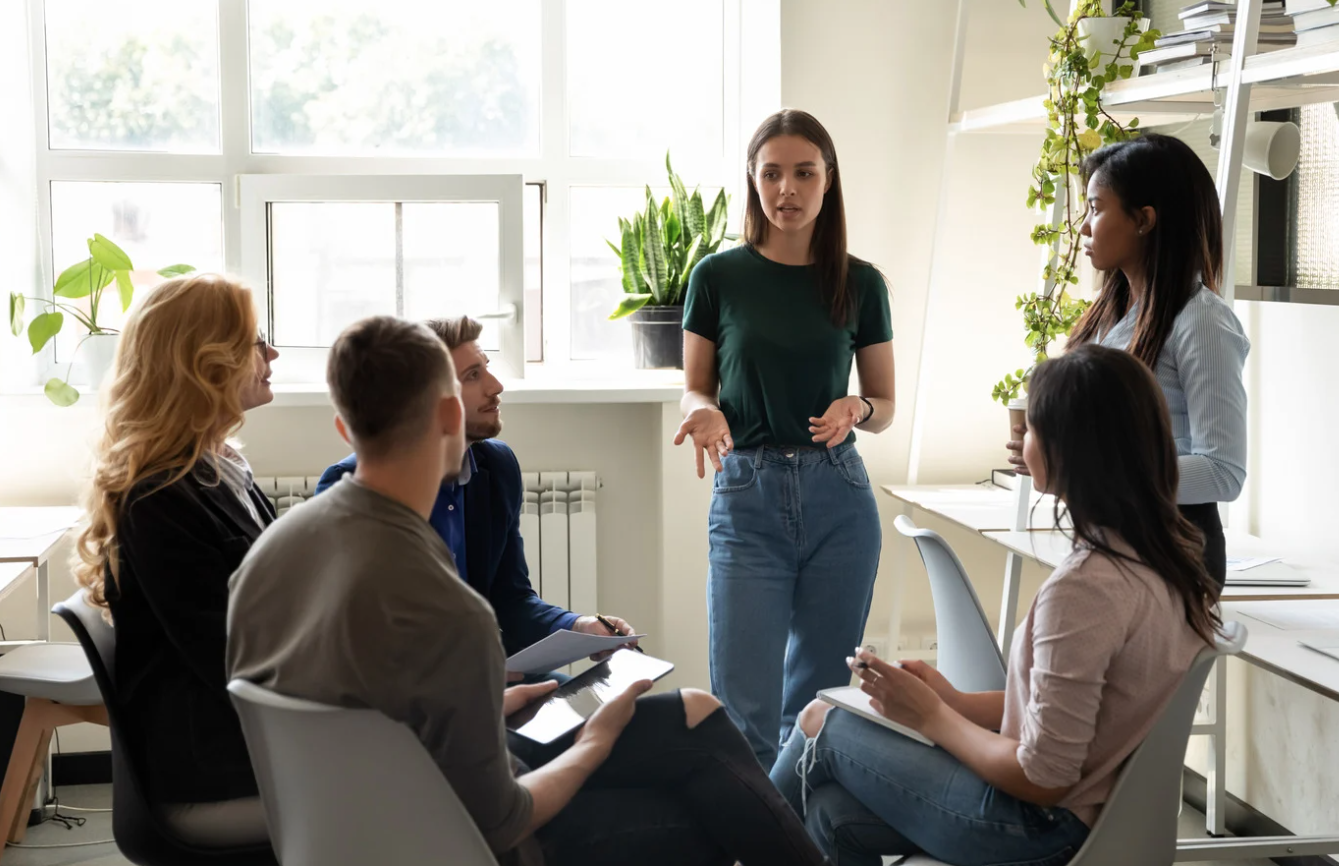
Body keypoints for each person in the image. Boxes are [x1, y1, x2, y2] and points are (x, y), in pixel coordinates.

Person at [228, 316, 826, 866]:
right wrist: (593, 741)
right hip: (450, 839)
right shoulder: (453, 612)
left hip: (344, 830)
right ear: (448, 417)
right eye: (473, 375)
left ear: (343, 427)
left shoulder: (262, 561)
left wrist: (491, 697)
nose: (493, 385)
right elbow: (502, 822)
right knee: (703, 805)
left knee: (698, 727)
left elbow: (370, 704)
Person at [773, 344, 1223, 866]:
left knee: (822, 720)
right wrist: (956, 702)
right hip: (1088, 818)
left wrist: (935, 716)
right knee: (831, 812)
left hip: (1041, 829)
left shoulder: (1087, 589)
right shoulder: (1166, 560)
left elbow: (1044, 775)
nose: (1018, 439)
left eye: (1030, 428)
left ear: (1069, 449)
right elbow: (1079, 713)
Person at [677, 108, 896, 770]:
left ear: (829, 180)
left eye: (804, 173)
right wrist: (705, 412)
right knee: (742, 713)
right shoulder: (717, 277)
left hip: (841, 499)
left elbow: (884, 405)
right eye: (772, 174)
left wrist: (855, 406)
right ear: (753, 179)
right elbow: (695, 388)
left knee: (818, 709)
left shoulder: (862, 283)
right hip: (748, 496)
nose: (787, 191)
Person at [72, 273, 280, 846]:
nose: (272, 353)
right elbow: (240, 661)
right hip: (215, 777)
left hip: (249, 750)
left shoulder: (221, 467)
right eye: (255, 341)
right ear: (203, 362)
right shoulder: (159, 497)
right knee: (443, 786)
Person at [1006, 132, 1250, 585]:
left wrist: (1089, 468)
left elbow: (1224, 472)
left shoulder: (1202, 322)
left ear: (1144, 220)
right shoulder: (1112, 316)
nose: (1082, 226)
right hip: (1111, 541)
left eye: (1096, 209)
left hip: (1171, 553)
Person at [316, 316, 635, 659]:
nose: (496, 386)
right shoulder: (353, 487)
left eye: (487, 368)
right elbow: (357, 639)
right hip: (413, 694)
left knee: (627, 701)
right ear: (429, 398)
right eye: (473, 375)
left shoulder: (497, 467)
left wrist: (579, 626)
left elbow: (510, 599)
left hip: (486, 678)